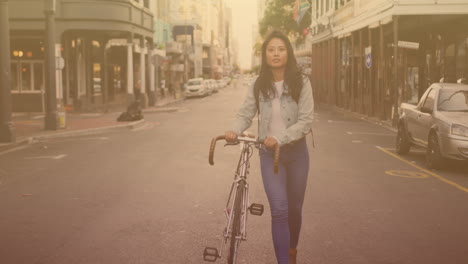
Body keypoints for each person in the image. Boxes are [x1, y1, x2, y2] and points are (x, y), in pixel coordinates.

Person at [225, 30, 314, 264]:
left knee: (294, 210)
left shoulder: (301, 82)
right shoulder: (258, 83)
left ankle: (291, 250)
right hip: (268, 155)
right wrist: (234, 129)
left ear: (288, 52)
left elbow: (306, 121)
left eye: (281, 49)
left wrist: (281, 138)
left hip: (296, 153)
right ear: (265, 55)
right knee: (279, 209)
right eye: (271, 50)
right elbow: (245, 113)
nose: (276, 54)